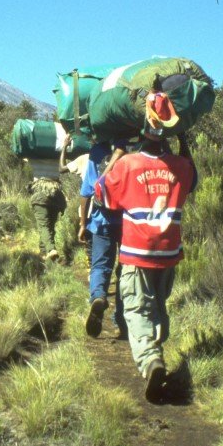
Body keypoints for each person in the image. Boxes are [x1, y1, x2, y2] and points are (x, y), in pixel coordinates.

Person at [94, 91, 198, 401]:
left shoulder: (128, 165)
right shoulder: (180, 167)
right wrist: (185, 144)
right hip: (168, 253)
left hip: (137, 252)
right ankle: (156, 347)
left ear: (143, 126)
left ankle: (151, 360)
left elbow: (102, 195)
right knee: (158, 307)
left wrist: (114, 159)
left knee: (137, 311)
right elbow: (192, 179)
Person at [75, 137, 128, 339]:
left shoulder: (96, 154)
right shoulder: (134, 150)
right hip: (128, 222)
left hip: (100, 220)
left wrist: (82, 224)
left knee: (100, 266)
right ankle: (121, 320)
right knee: (126, 270)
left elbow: (86, 193)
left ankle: (98, 296)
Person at [28, 171, 67, 262]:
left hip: (40, 194)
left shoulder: (33, 157)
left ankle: (50, 249)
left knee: (43, 226)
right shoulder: (59, 158)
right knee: (50, 227)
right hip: (56, 192)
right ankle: (44, 253)